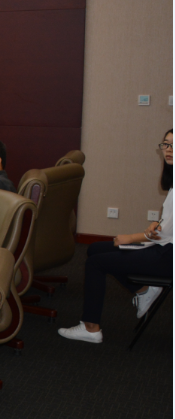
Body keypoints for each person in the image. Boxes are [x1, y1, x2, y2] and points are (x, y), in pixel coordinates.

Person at [59, 129, 173, 343]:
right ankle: (144, 290)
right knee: (95, 249)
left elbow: (166, 234)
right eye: (166, 144)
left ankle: (91, 328)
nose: (169, 150)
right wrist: (156, 224)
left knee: (96, 263)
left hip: (167, 257)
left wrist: (131, 238)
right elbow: (168, 225)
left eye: (173, 145)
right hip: (165, 249)